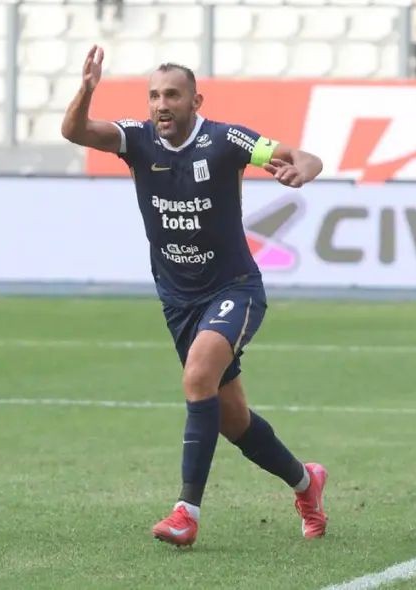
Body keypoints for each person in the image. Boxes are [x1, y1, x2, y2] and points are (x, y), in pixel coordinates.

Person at [60, 46, 327, 547]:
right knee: (234, 421)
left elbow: (301, 156)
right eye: (154, 95)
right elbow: (75, 132)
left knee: (198, 373)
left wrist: (302, 170)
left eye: (173, 95)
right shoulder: (135, 141)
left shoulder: (226, 141)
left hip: (234, 289)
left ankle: (186, 513)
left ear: (195, 101)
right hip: (178, 302)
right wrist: (88, 89)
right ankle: (306, 483)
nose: (161, 104)